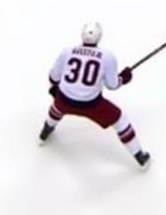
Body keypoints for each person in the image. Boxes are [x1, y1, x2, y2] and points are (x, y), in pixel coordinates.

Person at [38, 21, 151, 169]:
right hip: (91, 105)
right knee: (120, 120)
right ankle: (139, 156)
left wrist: (56, 87)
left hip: (64, 100)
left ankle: (45, 131)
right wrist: (123, 78)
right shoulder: (107, 56)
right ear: (99, 37)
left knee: (57, 107)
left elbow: (53, 77)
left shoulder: (67, 51)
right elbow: (112, 85)